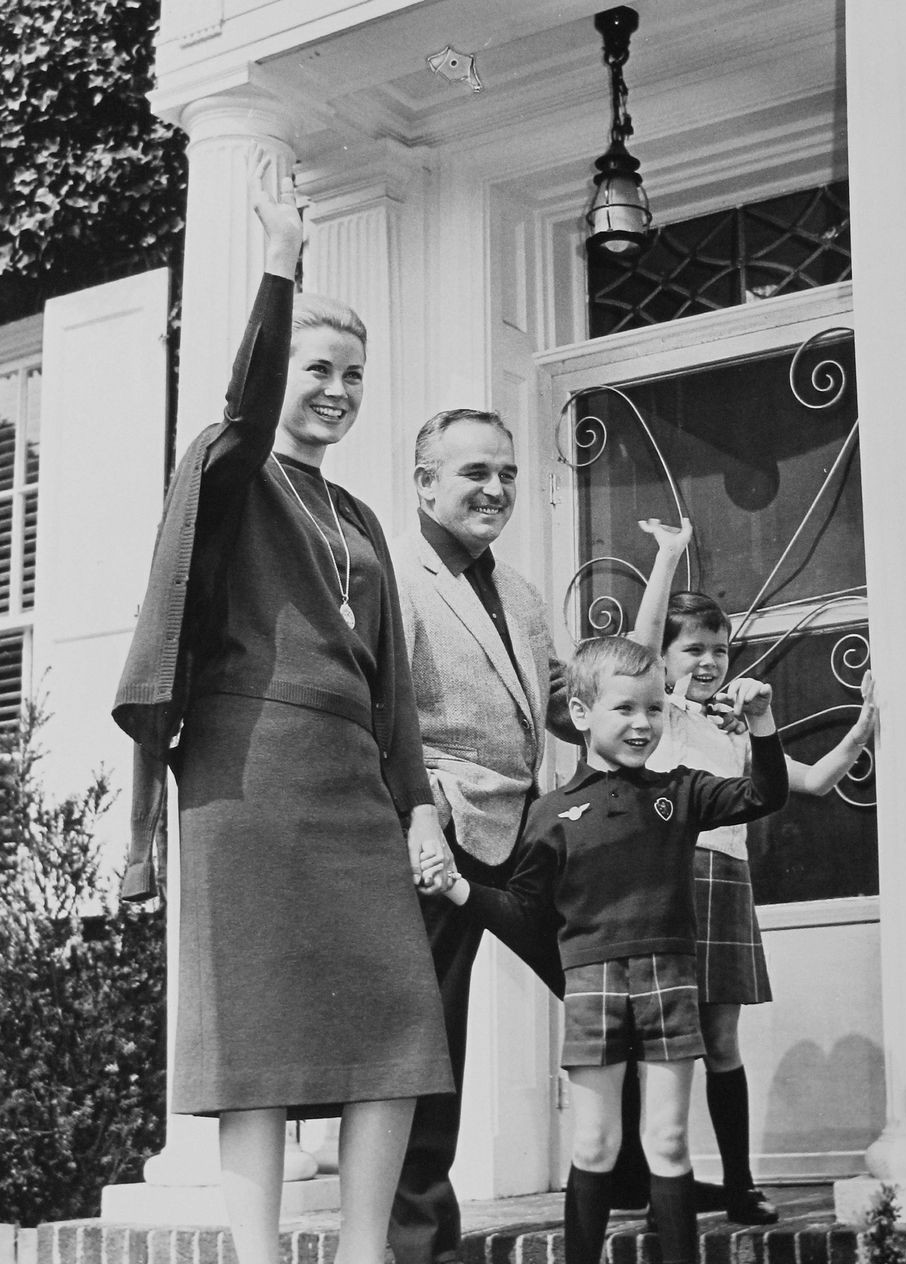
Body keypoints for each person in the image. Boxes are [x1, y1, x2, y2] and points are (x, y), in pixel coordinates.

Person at [112, 149, 453, 1264]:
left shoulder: (356, 511)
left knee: (398, 1021)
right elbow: (245, 403)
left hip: (350, 788)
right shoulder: (230, 463)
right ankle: (255, 1256)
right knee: (255, 1032)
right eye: (319, 368)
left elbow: (391, 683)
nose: (338, 391)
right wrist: (277, 260)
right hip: (246, 777)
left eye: (354, 374)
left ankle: (361, 1251)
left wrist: (416, 806)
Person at [439, 635, 789, 1264]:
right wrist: (462, 891)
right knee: (595, 1144)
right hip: (592, 985)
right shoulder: (550, 815)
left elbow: (765, 794)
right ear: (580, 714)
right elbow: (523, 913)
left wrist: (760, 721)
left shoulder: (680, 791)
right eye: (624, 709)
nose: (642, 724)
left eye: (654, 710)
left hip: (671, 979)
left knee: (670, 1141)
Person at [629, 516, 877, 1224]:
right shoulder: (659, 719)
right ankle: (663, 1195)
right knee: (667, 1039)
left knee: (720, 1041)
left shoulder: (734, 729)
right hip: (670, 882)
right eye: (694, 650)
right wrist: (670, 556)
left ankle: (739, 1186)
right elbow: (640, 651)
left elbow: (819, 781)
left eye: (720, 650)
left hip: (727, 883)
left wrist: (864, 723)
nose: (707, 662)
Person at [388, 409, 576, 1264]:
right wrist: (417, 811)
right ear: (426, 482)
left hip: (530, 832)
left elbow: (576, 702)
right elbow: (374, 709)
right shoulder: (395, 577)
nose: (496, 488)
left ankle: (641, 1171)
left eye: (505, 472)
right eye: (474, 473)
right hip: (438, 831)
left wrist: (667, 692)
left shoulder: (525, 594)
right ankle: (420, 1239)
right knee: (431, 1040)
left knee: (611, 982)